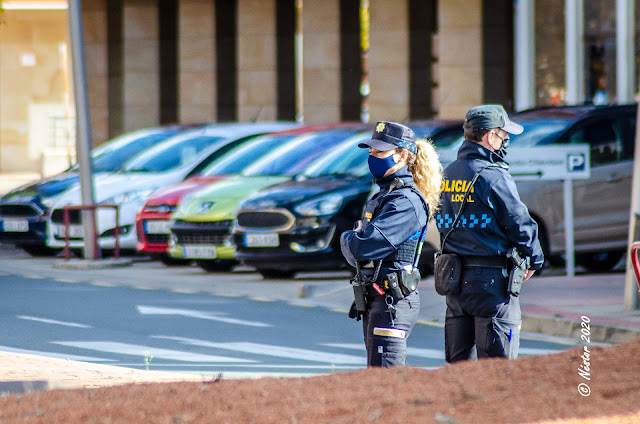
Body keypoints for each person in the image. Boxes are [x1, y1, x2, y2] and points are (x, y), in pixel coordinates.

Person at [435, 104, 544, 363]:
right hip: (492, 284)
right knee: (497, 372)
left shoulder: (447, 174)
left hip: (454, 280)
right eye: (503, 134)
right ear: (490, 136)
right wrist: (535, 259)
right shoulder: (494, 176)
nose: (506, 140)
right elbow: (520, 223)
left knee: (458, 369)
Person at [340, 121, 443, 367]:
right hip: (376, 297)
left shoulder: (406, 201)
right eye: (371, 152)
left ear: (403, 154)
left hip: (392, 301)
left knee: (386, 379)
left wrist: (348, 238)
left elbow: (363, 247)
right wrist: (354, 240)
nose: (372, 157)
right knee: (377, 378)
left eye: (380, 152)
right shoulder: (383, 196)